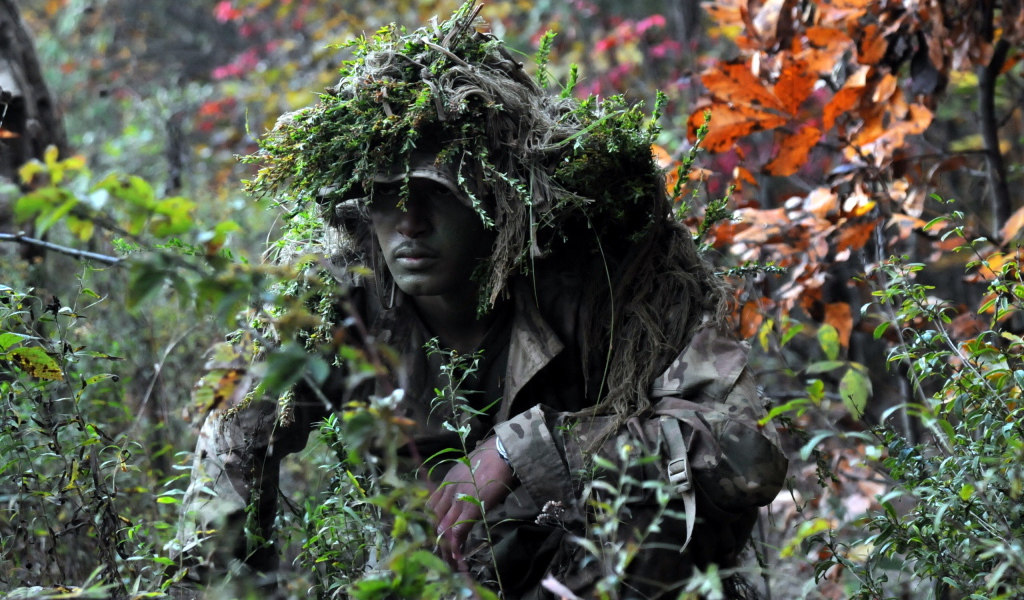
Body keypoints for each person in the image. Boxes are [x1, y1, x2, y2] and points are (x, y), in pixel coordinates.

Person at [175, 3, 788, 598]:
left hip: (606, 569)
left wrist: (527, 451)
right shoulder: (333, 299)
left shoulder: (606, 278)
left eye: (436, 194)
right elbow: (230, 451)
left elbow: (748, 452)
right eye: (388, 197)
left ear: (494, 202)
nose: (408, 223)